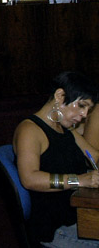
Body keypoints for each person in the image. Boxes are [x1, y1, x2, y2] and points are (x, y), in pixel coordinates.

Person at [13, 71, 99, 246]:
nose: (84, 115)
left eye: (88, 110)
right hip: (55, 230)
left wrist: (72, 129)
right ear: (60, 96)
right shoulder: (30, 130)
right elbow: (30, 178)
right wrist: (78, 181)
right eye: (81, 106)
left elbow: (93, 156)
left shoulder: (65, 129)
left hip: (76, 219)